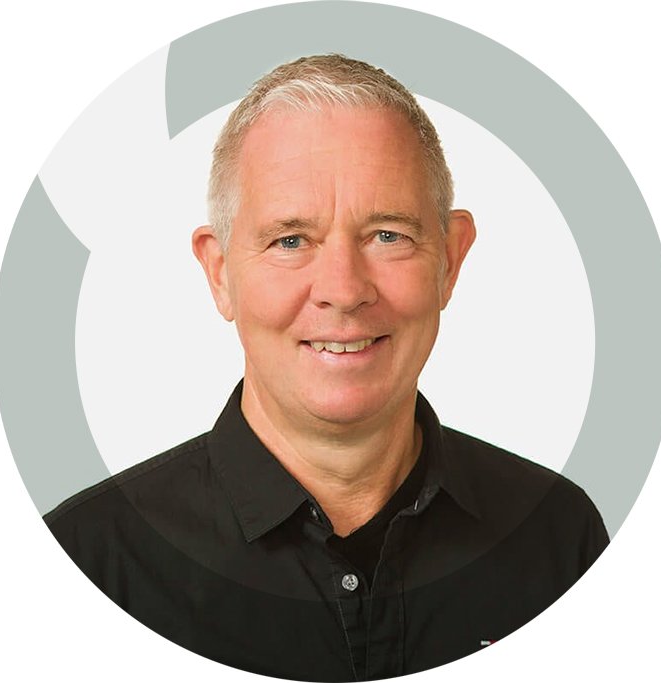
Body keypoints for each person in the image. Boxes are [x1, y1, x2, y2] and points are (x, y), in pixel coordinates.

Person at [45, 54, 608, 681]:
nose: (343, 290)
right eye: (291, 240)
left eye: (388, 235)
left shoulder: (560, 539)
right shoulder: (87, 565)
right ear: (220, 272)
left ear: (450, 259)